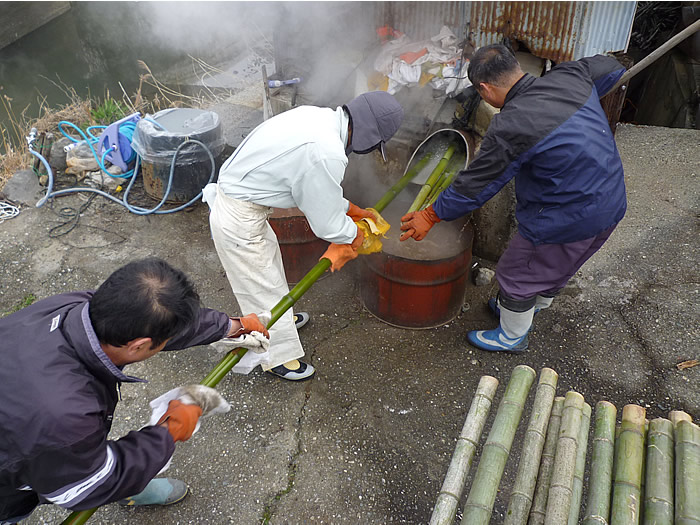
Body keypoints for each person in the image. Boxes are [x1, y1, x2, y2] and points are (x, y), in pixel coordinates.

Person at [0, 258, 269, 522]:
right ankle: (123, 479)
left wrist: (230, 327)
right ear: (139, 346)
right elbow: (81, 489)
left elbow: (156, 320)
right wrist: (168, 431)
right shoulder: (65, 416)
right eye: (162, 342)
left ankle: (129, 479)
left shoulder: (74, 307)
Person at [400, 44, 627, 352]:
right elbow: (612, 68)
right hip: (611, 201)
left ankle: (511, 337)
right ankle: (533, 306)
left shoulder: (512, 125)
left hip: (568, 217)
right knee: (558, 264)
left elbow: (478, 184)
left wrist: (430, 215)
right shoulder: (572, 74)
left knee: (517, 272)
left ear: (484, 88)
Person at [205, 91, 404, 380]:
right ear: (369, 137)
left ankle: (279, 320)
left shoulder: (320, 117)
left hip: (245, 200)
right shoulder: (326, 152)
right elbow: (326, 225)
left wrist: (353, 210)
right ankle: (278, 357)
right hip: (238, 214)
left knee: (269, 269)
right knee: (261, 283)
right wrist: (356, 237)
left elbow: (314, 190)